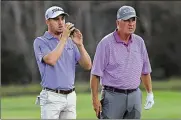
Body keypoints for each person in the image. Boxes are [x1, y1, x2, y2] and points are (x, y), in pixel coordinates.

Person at [90, 5, 154, 119]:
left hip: (135, 96)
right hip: (112, 96)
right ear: (118, 23)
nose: (131, 24)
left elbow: (145, 71)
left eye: (133, 20)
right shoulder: (105, 44)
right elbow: (95, 75)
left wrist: (150, 93)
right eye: (126, 20)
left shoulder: (139, 42)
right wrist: (95, 99)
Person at [33, 6, 92, 119]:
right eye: (56, 19)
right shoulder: (40, 41)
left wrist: (80, 45)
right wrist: (64, 38)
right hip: (51, 96)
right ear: (47, 21)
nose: (60, 23)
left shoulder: (70, 42)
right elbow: (51, 60)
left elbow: (88, 65)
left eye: (62, 18)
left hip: (70, 96)